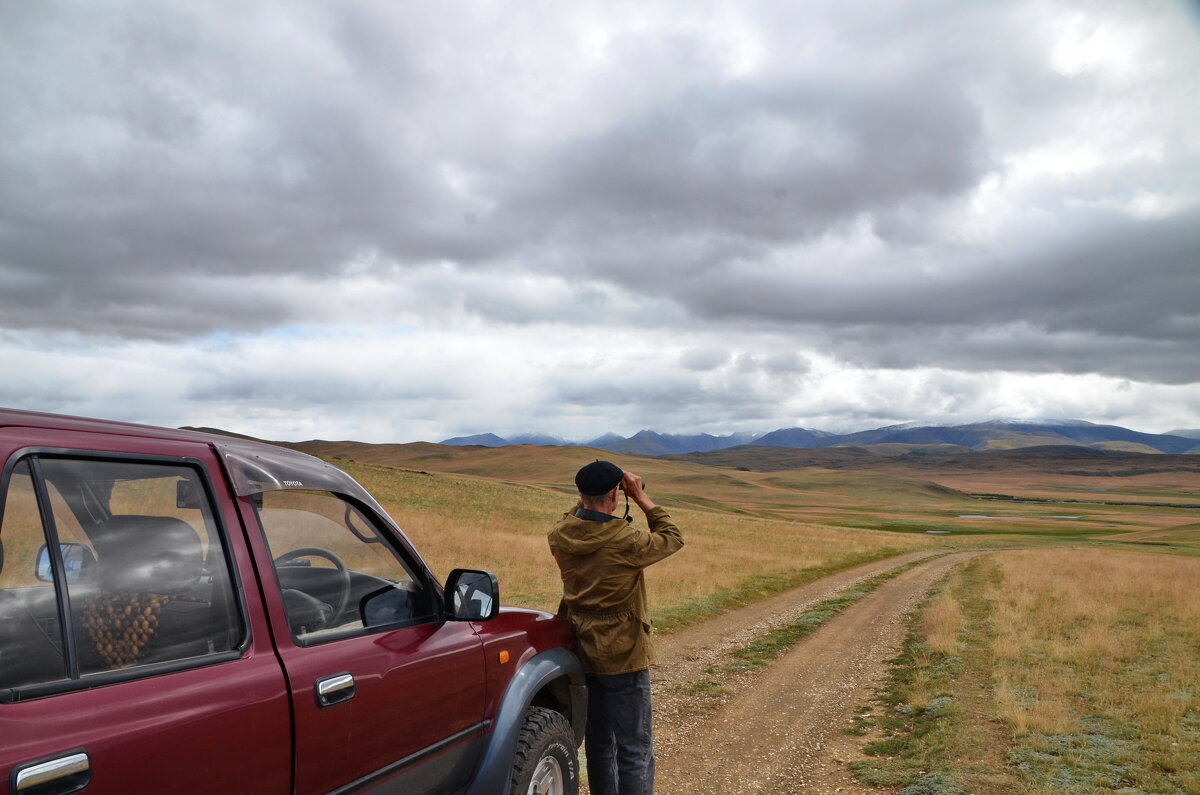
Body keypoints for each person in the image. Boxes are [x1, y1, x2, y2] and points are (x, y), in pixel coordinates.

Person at [547, 460, 684, 795]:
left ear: (581, 494)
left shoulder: (560, 534)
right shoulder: (625, 541)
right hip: (623, 654)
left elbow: (578, 512)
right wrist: (638, 496)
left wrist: (595, 493)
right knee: (634, 748)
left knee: (598, 742)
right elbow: (672, 537)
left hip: (579, 647)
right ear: (615, 494)